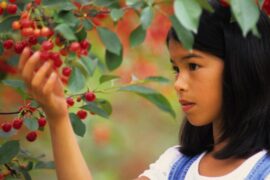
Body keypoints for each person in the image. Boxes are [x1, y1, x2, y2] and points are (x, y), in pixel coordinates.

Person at [18, 0, 270, 179]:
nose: (178, 83)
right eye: (176, 69)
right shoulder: (174, 166)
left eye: (193, 65)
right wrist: (58, 116)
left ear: (242, 66)